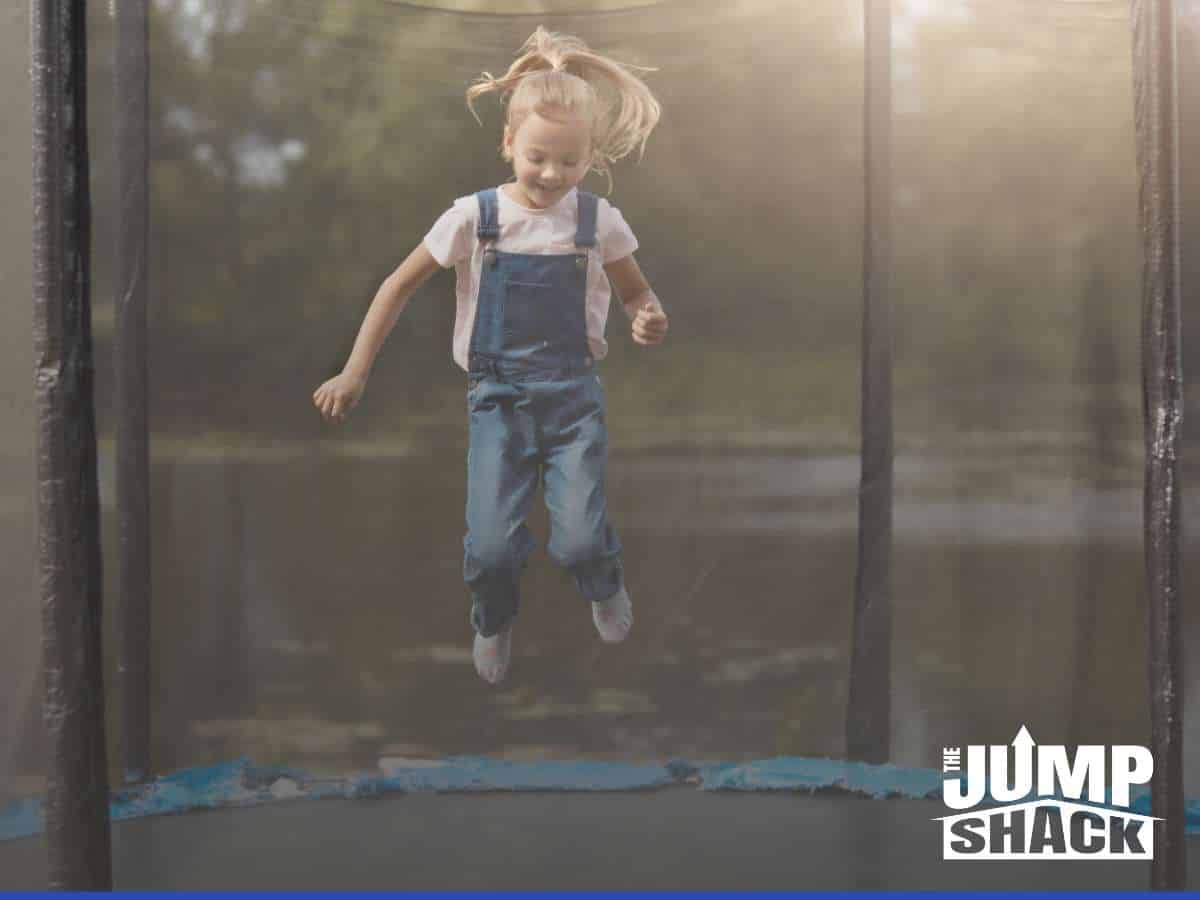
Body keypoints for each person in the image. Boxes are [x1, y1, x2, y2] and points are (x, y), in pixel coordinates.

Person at [312, 27, 668, 684]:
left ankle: (604, 585)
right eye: (537, 157)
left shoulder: (599, 222)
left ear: (589, 157)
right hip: (497, 399)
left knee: (581, 539)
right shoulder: (474, 219)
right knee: (493, 548)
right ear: (508, 144)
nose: (551, 175)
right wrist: (354, 370)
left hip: (572, 400)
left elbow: (636, 292)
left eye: (569, 162)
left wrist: (647, 316)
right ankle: (493, 616)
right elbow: (396, 286)